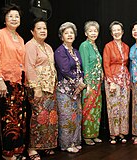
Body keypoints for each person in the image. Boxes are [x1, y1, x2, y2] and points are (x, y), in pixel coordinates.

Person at [0, 4, 27, 160]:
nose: (14, 18)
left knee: (20, 119)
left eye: (17, 16)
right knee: (8, 119)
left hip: (19, 82)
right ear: (4, 19)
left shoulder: (20, 38)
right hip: (5, 82)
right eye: (10, 16)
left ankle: (18, 150)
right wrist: (0, 80)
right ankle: (8, 153)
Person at [25, 18, 58, 160]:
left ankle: (45, 145)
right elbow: (29, 67)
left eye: (44, 28)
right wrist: (36, 87)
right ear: (32, 31)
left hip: (50, 88)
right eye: (39, 28)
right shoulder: (30, 46)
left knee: (49, 118)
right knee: (38, 117)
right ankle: (32, 148)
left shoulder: (48, 47)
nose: (43, 31)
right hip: (37, 87)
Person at [54, 22, 85, 153]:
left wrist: (82, 81)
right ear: (62, 36)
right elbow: (64, 70)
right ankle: (66, 144)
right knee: (66, 117)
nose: (69, 35)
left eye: (71, 32)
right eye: (66, 33)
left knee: (76, 116)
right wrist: (79, 84)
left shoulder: (76, 51)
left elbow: (80, 69)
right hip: (65, 89)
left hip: (77, 89)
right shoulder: (60, 51)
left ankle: (75, 141)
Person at [103, 21, 130, 144]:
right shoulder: (108, 46)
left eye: (119, 30)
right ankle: (113, 134)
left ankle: (122, 132)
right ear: (111, 33)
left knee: (124, 106)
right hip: (112, 78)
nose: (117, 32)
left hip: (124, 79)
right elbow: (106, 65)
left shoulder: (126, 46)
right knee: (113, 106)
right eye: (114, 30)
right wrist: (111, 81)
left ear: (122, 32)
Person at [79, 20, 104, 146]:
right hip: (90, 83)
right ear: (85, 33)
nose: (93, 33)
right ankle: (86, 135)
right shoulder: (84, 45)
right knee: (88, 108)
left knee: (96, 109)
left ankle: (94, 134)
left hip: (97, 82)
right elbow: (85, 66)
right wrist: (88, 84)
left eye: (95, 31)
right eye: (90, 31)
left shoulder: (94, 45)